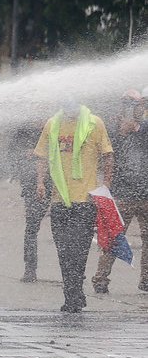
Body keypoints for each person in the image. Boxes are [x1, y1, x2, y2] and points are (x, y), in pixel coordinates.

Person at [34, 98, 114, 313]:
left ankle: (74, 293)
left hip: (85, 201)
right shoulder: (53, 124)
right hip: (59, 199)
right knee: (63, 251)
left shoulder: (94, 123)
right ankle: (72, 292)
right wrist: (40, 182)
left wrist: (106, 184)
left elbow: (108, 155)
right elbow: (41, 155)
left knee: (78, 251)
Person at [92, 90, 148, 293]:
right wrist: (122, 132)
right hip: (122, 195)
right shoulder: (113, 130)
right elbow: (105, 155)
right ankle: (100, 279)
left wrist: (138, 128)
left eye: (138, 106)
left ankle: (146, 280)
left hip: (146, 194)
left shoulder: (145, 128)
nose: (135, 110)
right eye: (130, 106)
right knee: (114, 237)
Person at [10, 122, 52, 282]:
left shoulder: (58, 127)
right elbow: (13, 156)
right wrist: (26, 155)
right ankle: (30, 269)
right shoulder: (23, 131)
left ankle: (71, 272)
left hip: (59, 184)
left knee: (63, 231)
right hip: (33, 186)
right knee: (32, 228)